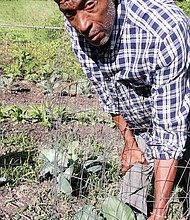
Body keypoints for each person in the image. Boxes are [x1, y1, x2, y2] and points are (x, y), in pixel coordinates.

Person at [54, 0, 190, 219]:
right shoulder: (78, 24)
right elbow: (105, 88)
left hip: (181, 114)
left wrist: (159, 212)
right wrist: (130, 143)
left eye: (89, 5)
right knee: (126, 201)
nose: (81, 25)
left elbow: (170, 128)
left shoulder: (163, 30)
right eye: (69, 13)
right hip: (142, 125)